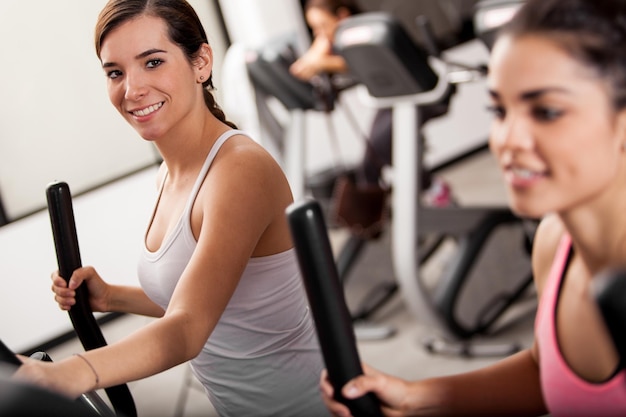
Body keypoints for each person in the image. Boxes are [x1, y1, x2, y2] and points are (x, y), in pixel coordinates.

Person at [13, 1, 330, 416]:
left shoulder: (240, 170)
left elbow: (187, 329)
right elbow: (214, 300)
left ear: (201, 62)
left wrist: (66, 374)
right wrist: (112, 297)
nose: (132, 89)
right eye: (115, 72)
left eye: (153, 62)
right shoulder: (169, 172)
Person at [320, 0, 626, 415]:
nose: (507, 139)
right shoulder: (554, 243)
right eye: (499, 110)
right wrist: (414, 397)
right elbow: (546, 370)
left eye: (547, 111)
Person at [289, 0, 453, 209]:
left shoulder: (362, 34)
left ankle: (434, 191)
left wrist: (321, 59)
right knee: (369, 164)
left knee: (382, 148)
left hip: (419, 94)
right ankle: (375, 219)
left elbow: (355, 64)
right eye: (314, 29)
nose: (319, 33)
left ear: (342, 16)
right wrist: (321, 40)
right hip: (392, 101)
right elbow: (301, 68)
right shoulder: (338, 38)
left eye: (322, 25)